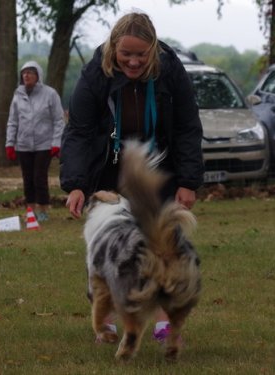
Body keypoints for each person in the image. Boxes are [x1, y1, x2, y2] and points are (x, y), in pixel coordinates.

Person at [60, 12, 204, 342]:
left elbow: (186, 127)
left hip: (158, 167)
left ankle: (167, 322)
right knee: (109, 247)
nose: (134, 62)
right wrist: (76, 184)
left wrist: (188, 181)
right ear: (114, 49)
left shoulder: (170, 70)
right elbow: (79, 131)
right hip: (109, 165)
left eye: (141, 54)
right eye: (127, 55)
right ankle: (106, 323)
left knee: (163, 245)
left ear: (153, 49)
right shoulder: (96, 72)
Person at [5, 61, 66, 222]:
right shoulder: (17, 95)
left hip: (44, 144)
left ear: (38, 75)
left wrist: (56, 143)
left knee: (39, 177)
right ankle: (30, 210)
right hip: (23, 144)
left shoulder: (50, 94)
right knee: (28, 178)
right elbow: (13, 121)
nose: (26, 75)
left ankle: (43, 209)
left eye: (30, 72)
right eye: (24, 73)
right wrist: (10, 143)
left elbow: (59, 120)